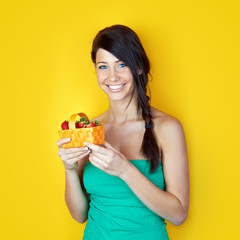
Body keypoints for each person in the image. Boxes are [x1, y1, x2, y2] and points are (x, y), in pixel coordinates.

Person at [56, 24, 189, 240]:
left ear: (138, 68)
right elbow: (79, 215)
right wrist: (69, 169)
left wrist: (124, 170)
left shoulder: (167, 128)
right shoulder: (87, 129)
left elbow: (179, 214)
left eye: (121, 64)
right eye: (103, 66)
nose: (112, 77)